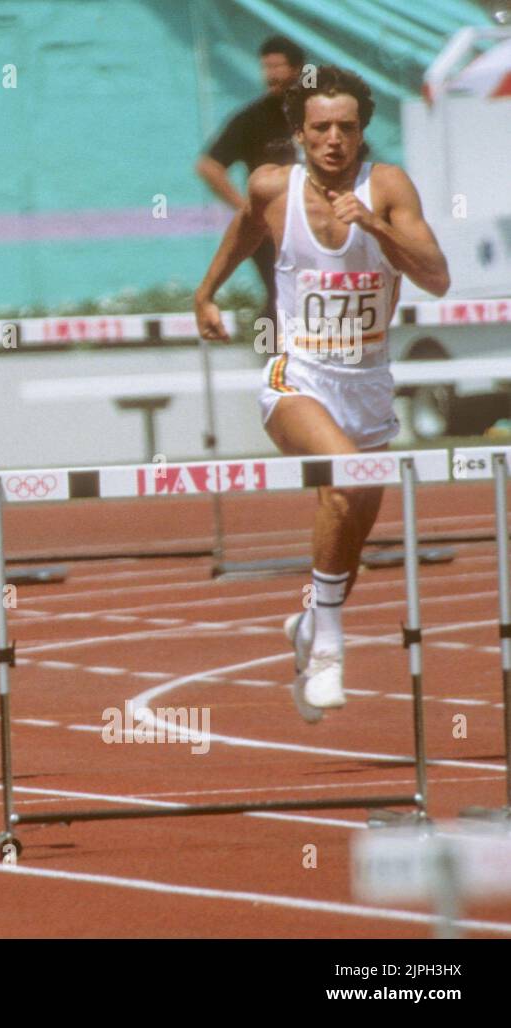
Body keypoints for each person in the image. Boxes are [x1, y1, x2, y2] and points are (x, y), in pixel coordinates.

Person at [194, 66, 449, 719]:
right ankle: (330, 653)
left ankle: (309, 626)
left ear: (363, 130)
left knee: (350, 526)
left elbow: (438, 278)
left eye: (347, 128)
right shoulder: (274, 186)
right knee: (345, 482)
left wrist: (376, 228)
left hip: (368, 383)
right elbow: (246, 226)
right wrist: (207, 293)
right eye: (321, 128)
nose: (334, 140)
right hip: (298, 378)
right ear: (300, 134)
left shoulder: (388, 187)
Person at [196, 36, 306, 324]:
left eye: (276, 66)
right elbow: (209, 166)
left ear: (297, 69)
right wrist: (250, 211)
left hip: (317, 222)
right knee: (280, 296)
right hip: (272, 231)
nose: (270, 74)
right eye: (265, 67)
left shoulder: (318, 113)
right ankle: (277, 361)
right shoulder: (253, 119)